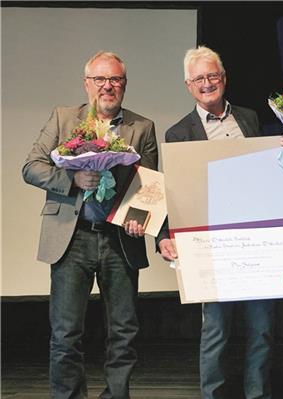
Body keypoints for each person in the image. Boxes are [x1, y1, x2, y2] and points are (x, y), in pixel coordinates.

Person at [156, 45, 283, 399]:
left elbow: (271, 174)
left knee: (262, 328)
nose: (208, 83)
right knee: (216, 331)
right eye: (200, 78)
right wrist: (163, 235)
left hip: (256, 240)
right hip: (209, 245)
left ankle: (257, 394)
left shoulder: (249, 119)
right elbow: (170, 190)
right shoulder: (178, 133)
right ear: (189, 86)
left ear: (224, 79)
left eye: (213, 76)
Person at [22, 51, 159, 398]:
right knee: (66, 335)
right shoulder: (63, 118)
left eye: (115, 80)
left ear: (124, 85)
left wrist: (139, 219)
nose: (108, 86)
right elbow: (32, 166)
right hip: (72, 239)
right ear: (87, 84)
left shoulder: (142, 127)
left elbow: (150, 185)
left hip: (119, 241)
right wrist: (72, 180)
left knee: (124, 333)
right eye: (100, 79)